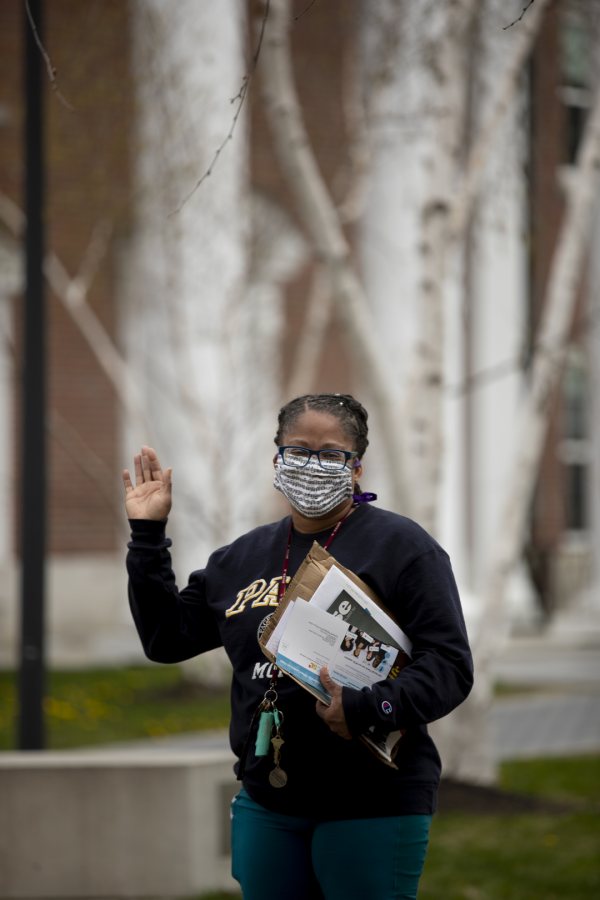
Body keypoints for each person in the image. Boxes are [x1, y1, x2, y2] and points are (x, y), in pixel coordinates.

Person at [123, 393, 473, 900]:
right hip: (269, 800)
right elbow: (165, 639)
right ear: (277, 460)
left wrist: (366, 706)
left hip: (371, 801)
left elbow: (449, 666)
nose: (313, 465)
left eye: (332, 454)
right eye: (299, 451)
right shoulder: (240, 557)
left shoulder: (403, 549)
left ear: (357, 467)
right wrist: (148, 536)